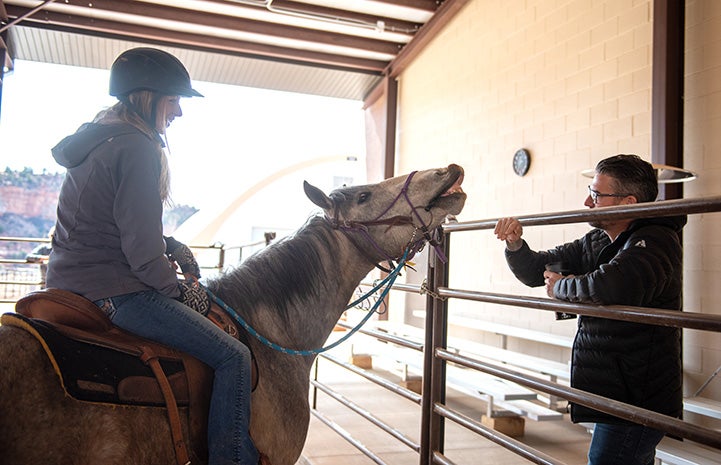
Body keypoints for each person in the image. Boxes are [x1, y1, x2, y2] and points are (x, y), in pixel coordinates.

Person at [46, 47, 263, 465]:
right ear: (147, 96)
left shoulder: (99, 136)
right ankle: (232, 459)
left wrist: (169, 244)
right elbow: (141, 256)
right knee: (233, 355)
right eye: (174, 99)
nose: (178, 112)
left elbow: (108, 221)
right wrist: (180, 291)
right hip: (115, 292)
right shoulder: (138, 147)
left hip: (67, 283)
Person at [494, 154, 684, 465]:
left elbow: (610, 286)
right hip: (611, 387)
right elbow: (536, 270)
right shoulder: (597, 239)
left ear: (627, 202)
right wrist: (515, 243)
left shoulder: (657, 239)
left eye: (596, 194)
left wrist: (561, 288)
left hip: (636, 394)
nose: (587, 201)